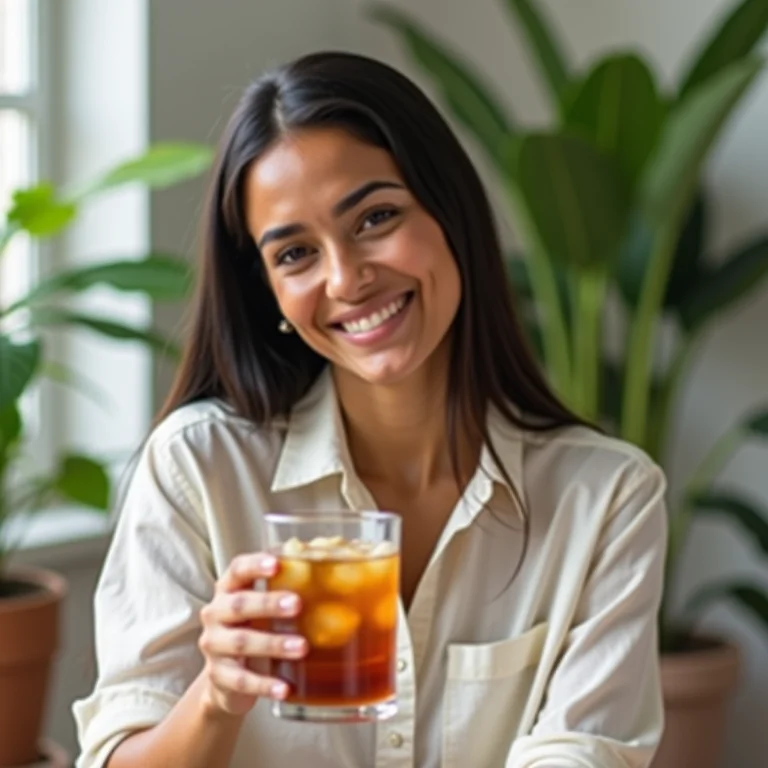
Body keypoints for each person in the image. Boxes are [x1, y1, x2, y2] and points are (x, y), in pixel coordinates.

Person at [73, 51, 668, 768]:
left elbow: (584, 752)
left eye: (376, 217)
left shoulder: (605, 497)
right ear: (269, 293)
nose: (347, 278)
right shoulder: (199, 468)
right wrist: (217, 696)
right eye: (295, 254)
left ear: (450, 213)